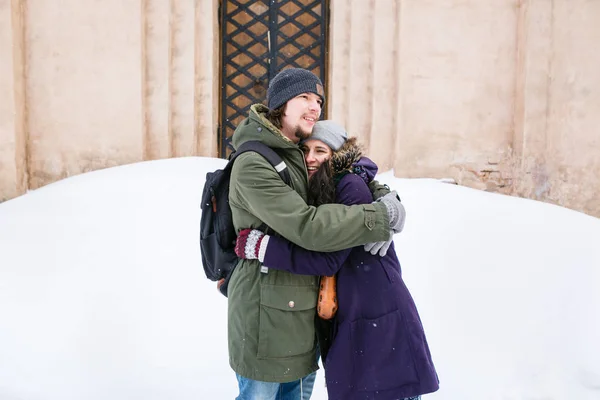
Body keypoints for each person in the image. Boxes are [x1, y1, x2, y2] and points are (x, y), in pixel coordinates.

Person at [227, 68, 406, 400]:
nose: (315, 106)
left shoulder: (295, 152)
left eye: (318, 100)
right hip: (266, 319)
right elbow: (308, 227)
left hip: (302, 318)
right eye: (304, 97)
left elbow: (340, 174)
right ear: (280, 104)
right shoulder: (254, 163)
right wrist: (378, 217)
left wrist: (386, 197)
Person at [234, 120, 439, 400]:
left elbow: (327, 259)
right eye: (305, 150)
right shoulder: (323, 187)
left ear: (338, 154)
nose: (310, 158)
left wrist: (264, 248)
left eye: (321, 150)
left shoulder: (350, 186)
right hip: (357, 311)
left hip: (377, 311)